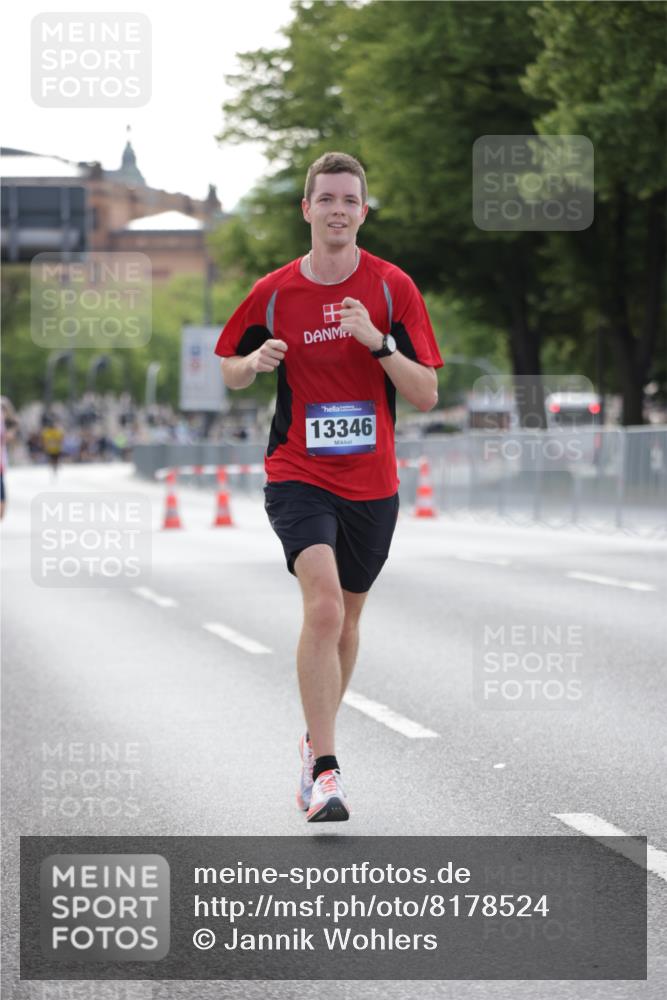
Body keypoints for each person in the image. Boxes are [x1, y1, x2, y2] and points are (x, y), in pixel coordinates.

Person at [215, 151, 443, 822]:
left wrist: (378, 342)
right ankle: (325, 772)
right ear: (307, 209)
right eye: (327, 199)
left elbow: (426, 394)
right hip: (298, 473)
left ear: (363, 212)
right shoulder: (274, 292)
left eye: (349, 200)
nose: (338, 210)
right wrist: (253, 361)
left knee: (348, 618)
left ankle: (313, 741)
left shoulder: (392, 288)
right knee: (323, 610)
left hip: (372, 483)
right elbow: (227, 365)